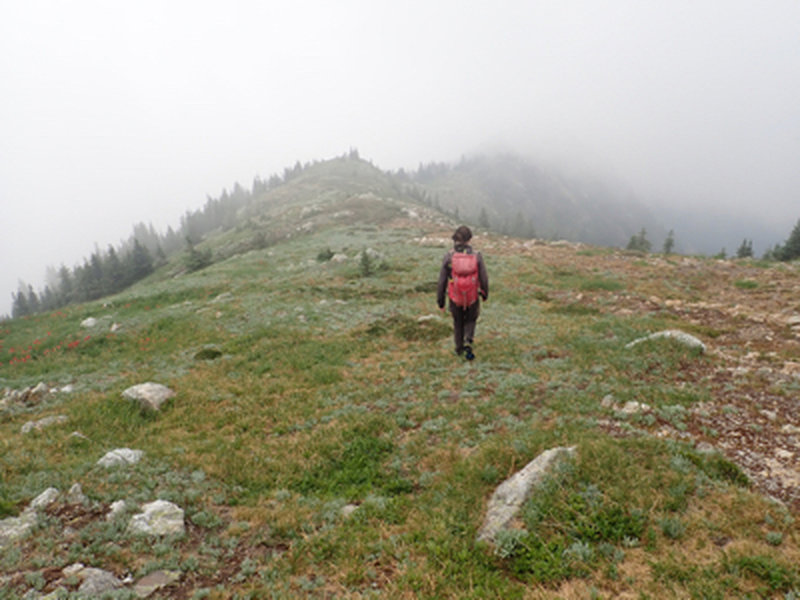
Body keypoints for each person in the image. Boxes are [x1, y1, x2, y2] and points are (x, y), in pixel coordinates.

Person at [437, 225, 489, 360]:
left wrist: (440, 301)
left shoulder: (449, 256)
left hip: (455, 297)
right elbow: (484, 277)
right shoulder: (477, 256)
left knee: (457, 322)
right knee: (471, 319)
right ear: (469, 239)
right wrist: (484, 293)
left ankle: (459, 348)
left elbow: (442, 280)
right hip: (472, 296)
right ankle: (468, 340)